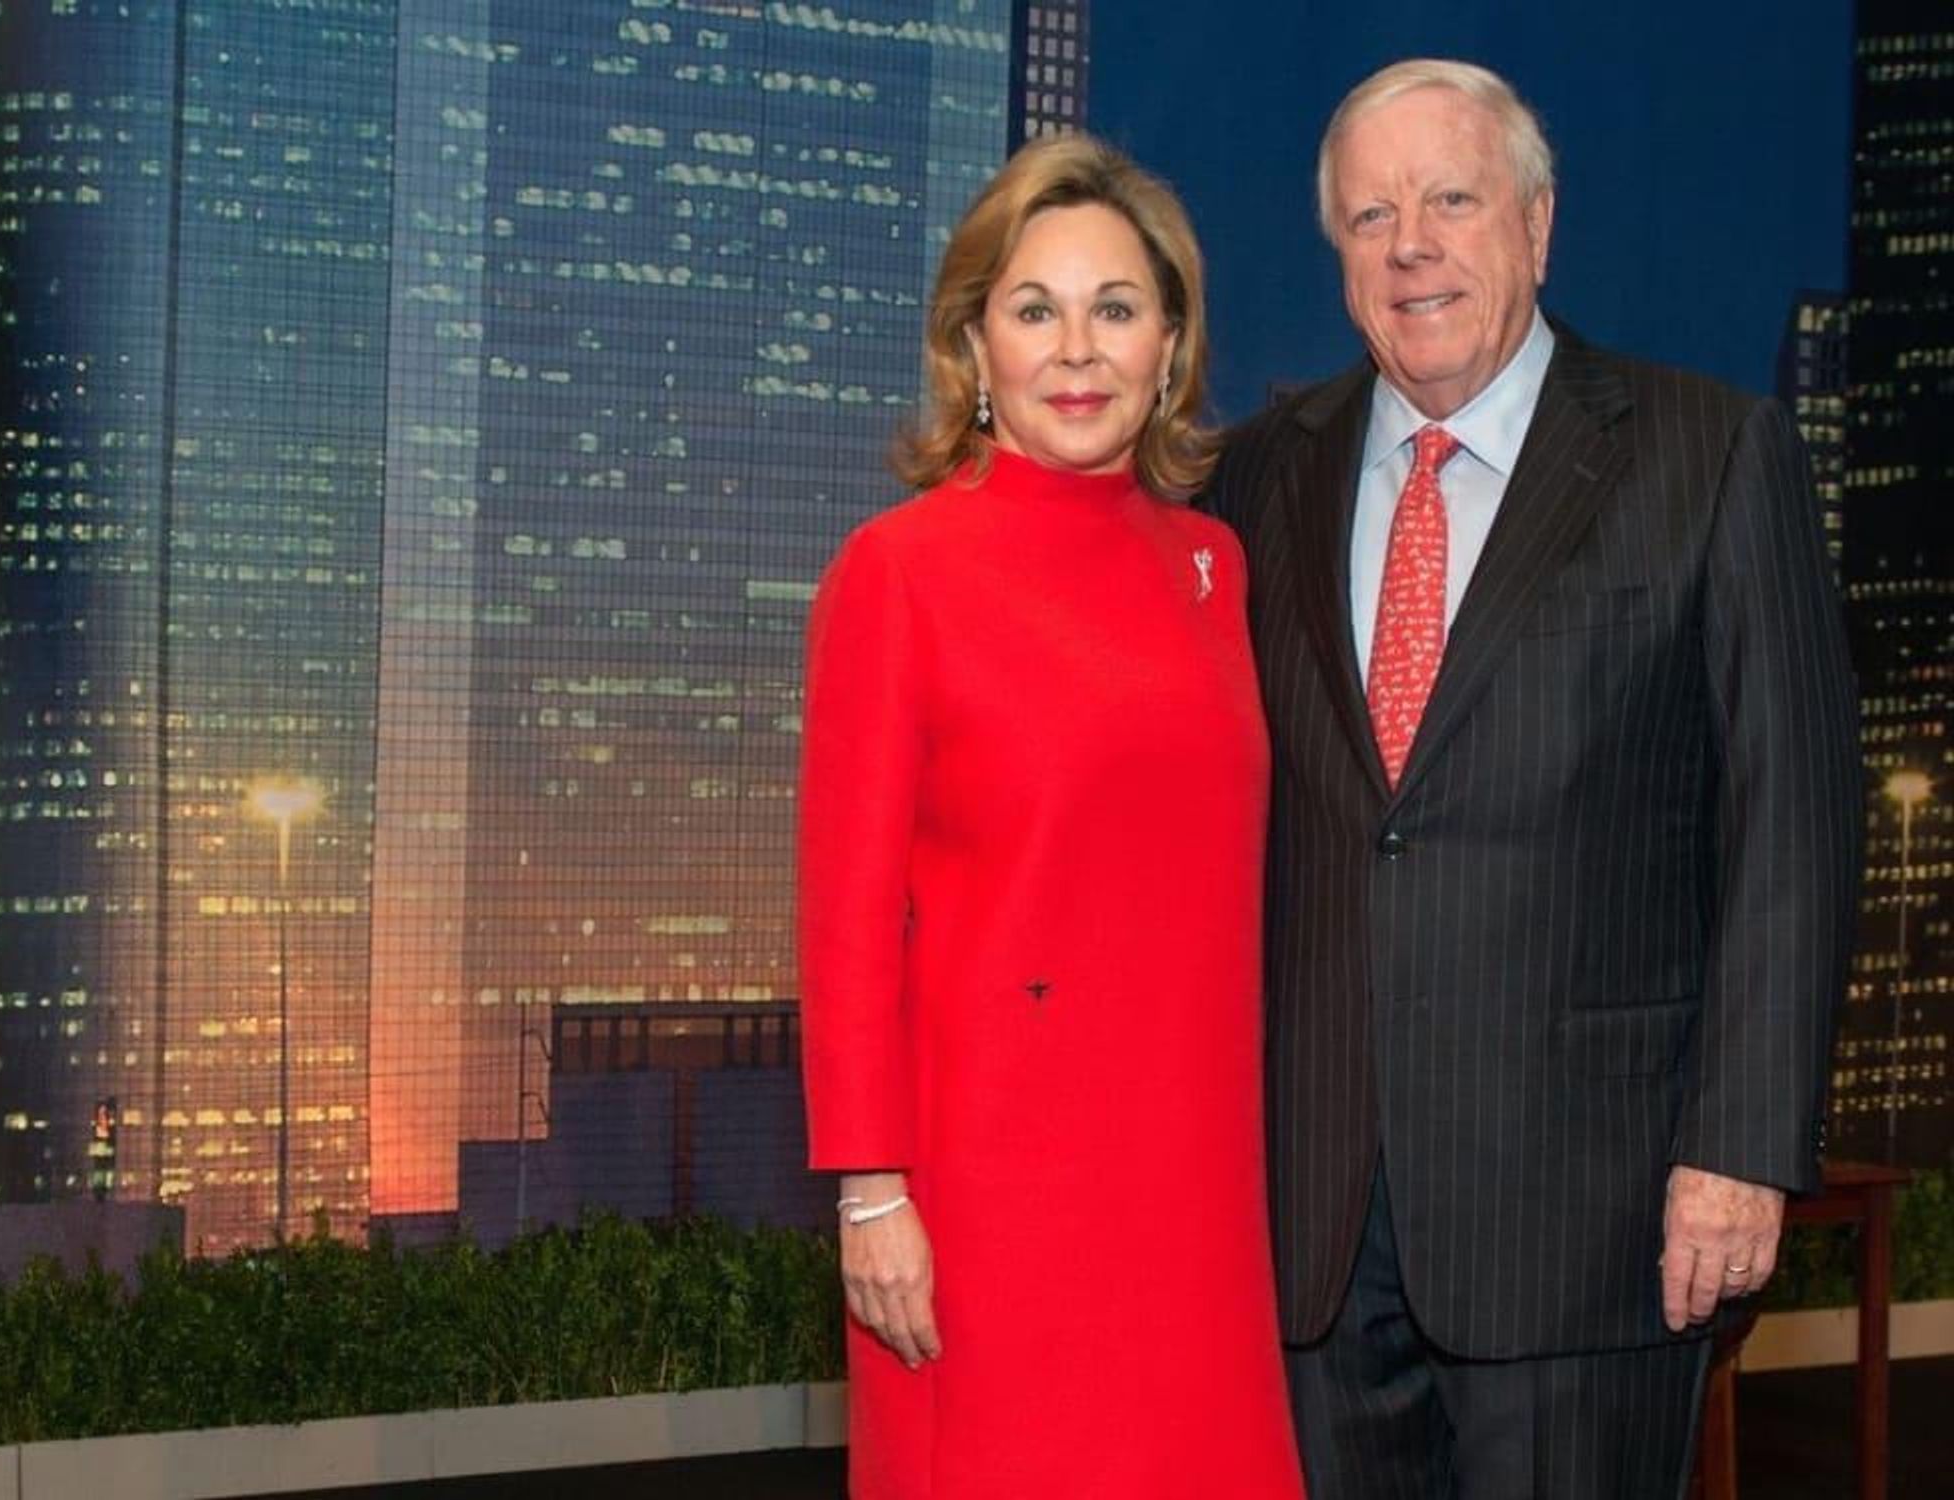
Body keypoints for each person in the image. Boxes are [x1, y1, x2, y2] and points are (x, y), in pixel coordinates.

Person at [1206, 59, 1862, 1498]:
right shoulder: (1255, 478)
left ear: (1538, 225)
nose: (1411, 245)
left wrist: (1742, 1149)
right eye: (1371, 214)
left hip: (1597, 1222)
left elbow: (1795, 830)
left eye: (1452, 199)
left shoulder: (1710, 454)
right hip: (1313, 1229)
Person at [798, 135, 1305, 1499]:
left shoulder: (1212, 563)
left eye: (1117, 308)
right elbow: (843, 921)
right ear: (976, 344)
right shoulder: (898, 571)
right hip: (988, 1195)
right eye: (1035, 309)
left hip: (1194, 1179)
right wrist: (870, 1189)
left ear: (1171, 343)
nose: (1078, 350)